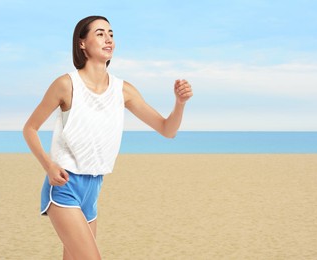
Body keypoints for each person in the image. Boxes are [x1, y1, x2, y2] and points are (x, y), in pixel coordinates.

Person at [23, 15, 193, 259]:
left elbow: (168, 130)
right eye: (100, 34)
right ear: (82, 43)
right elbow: (29, 128)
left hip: (93, 188)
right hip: (65, 186)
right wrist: (48, 165)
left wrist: (180, 103)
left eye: (111, 34)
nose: (109, 39)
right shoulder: (65, 84)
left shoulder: (123, 90)